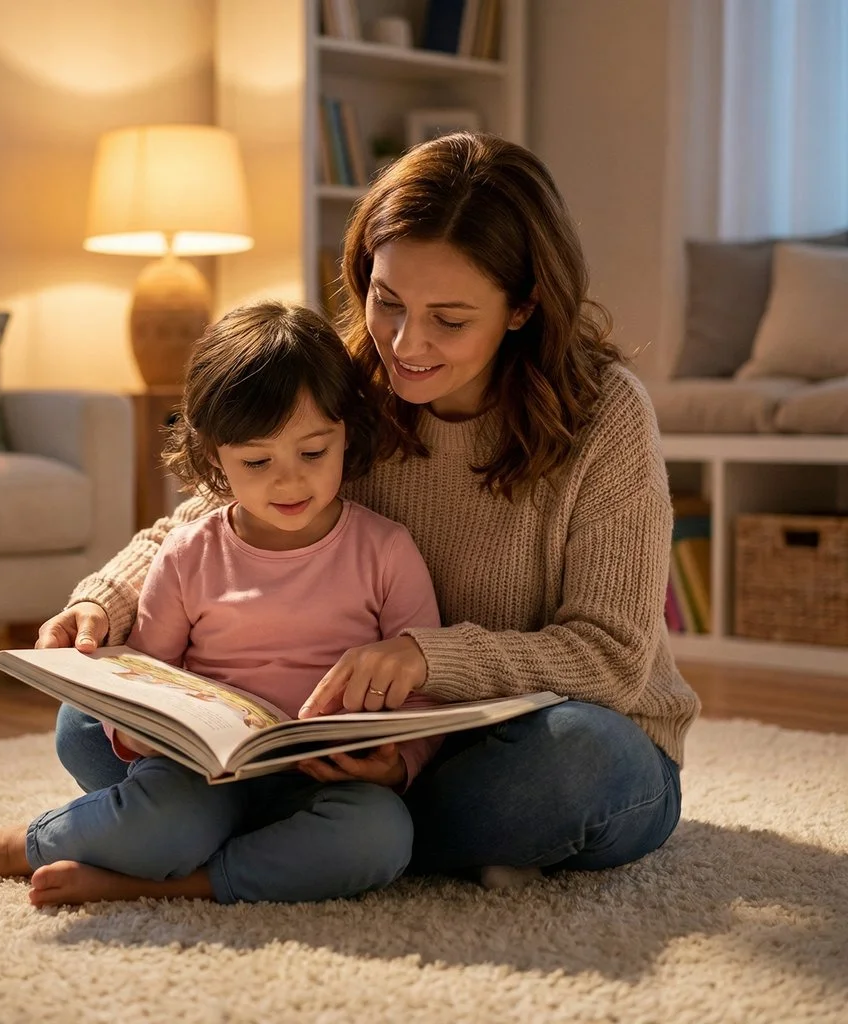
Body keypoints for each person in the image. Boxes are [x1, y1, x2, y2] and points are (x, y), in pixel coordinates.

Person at [37, 132, 701, 889]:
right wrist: (105, 598)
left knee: (570, 763)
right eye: (387, 302)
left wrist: (429, 657)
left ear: (523, 307)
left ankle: (258, 839)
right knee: (87, 723)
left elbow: (612, 655)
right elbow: (216, 514)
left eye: (449, 320)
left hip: (533, 742)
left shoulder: (604, 415)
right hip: (335, 747)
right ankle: (337, 840)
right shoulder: (354, 384)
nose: (405, 343)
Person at [0, 301, 443, 906]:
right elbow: (144, 678)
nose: (289, 482)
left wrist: (397, 767)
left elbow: (424, 692)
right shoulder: (189, 552)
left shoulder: (386, 551)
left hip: (325, 781)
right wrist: (139, 737)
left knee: (382, 838)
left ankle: (182, 883)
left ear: (348, 431)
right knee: (158, 821)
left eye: (313, 453)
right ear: (214, 454)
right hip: (201, 777)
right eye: (257, 462)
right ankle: (23, 845)